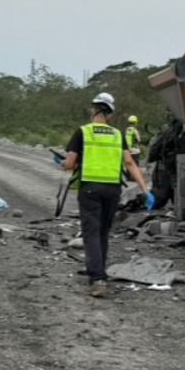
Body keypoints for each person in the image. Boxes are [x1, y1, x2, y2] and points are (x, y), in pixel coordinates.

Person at [62, 92, 153, 298]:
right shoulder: (117, 135)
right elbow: (129, 163)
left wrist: (63, 164)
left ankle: (98, 278)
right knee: (103, 232)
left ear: (94, 110)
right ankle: (98, 269)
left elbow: (69, 163)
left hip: (90, 189)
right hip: (112, 190)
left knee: (91, 232)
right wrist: (145, 189)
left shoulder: (83, 132)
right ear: (110, 115)